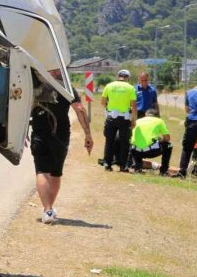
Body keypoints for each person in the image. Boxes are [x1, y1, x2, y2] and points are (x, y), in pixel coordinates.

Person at [29, 70, 93, 224]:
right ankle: (48, 209)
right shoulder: (66, 87)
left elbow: (21, 109)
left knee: (42, 171)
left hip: (40, 133)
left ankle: (48, 209)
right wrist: (88, 134)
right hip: (61, 134)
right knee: (56, 173)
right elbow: (80, 109)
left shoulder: (35, 86)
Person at [100, 69, 138, 172]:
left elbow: (103, 102)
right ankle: (123, 165)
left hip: (111, 117)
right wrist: (134, 119)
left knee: (109, 141)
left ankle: (107, 164)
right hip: (125, 118)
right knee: (124, 142)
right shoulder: (130, 88)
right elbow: (133, 105)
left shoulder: (109, 86)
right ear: (127, 77)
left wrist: (109, 109)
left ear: (118, 76)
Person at [129, 108, 173, 175]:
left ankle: (138, 167)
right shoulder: (159, 121)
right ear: (157, 115)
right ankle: (163, 171)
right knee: (169, 145)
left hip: (135, 151)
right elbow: (167, 138)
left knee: (135, 145)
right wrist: (161, 140)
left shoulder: (138, 121)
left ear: (146, 115)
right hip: (150, 151)